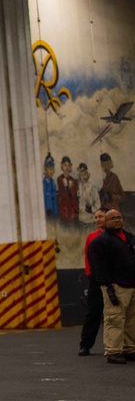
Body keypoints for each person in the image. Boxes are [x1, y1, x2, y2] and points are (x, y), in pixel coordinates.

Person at [87, 209, 135, 364]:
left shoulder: (129, 238)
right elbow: (97, 266)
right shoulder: (100, 241)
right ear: (105, 222)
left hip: (131, 285)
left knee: (131, 319)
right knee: (114, 319)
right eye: (112, 218)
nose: (116, 220)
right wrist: (108, 284)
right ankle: (113, 351)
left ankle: (129, 349)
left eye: (119, 217)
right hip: (115, 287)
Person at [79, 208, 108, 355]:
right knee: (93, 312)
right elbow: (87, 256)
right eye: (96, 217)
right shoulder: (92, 237)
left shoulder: (117, 235)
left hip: (115, 279)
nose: (98, 220)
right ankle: (86, 344)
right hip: (95, 279)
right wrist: (90, 273)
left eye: (101, 216)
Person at [56, 156, 78, 223]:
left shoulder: (73, 181)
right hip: (64, 210)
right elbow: (62, 194)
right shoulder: (60, 179)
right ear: (62, 166)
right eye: (65, 165)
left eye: (68, 165)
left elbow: (74, 196)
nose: (67, 168)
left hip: (72, 211)